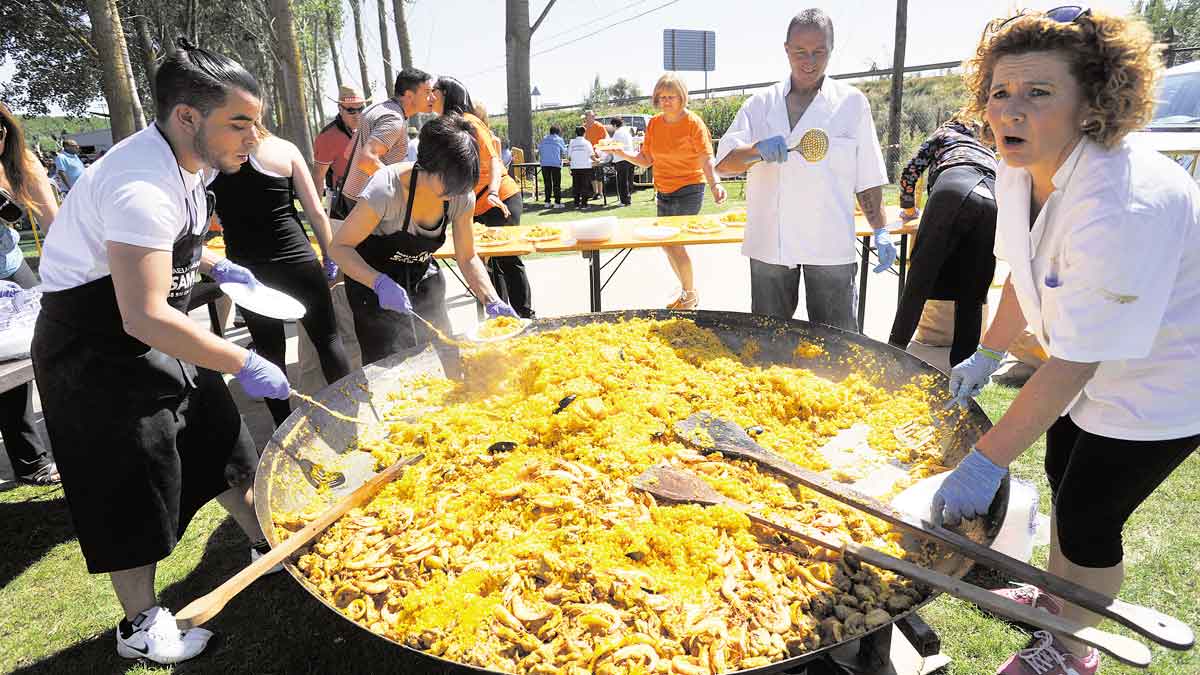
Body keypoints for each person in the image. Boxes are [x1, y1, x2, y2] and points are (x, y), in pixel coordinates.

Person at [932, 10, 1200, 675]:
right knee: (1060, 471)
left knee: (1088, 513)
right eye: (999, 92)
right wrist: (989, 351)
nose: (1008, 110)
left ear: (1093, 103)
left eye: (1038, 93)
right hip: (1094, 358)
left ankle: (1073, 649)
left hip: (1165, 383)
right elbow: (1026, 272)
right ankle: (1061, 600)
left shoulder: (1121, 202)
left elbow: (1078, 361)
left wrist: (986, 459)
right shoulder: (1025, 164)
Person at [31, 38, 289, 665]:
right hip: (94, 350)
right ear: (186, 118)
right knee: (128, 479)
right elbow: (142, 313)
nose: (254, 138)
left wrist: (219, 268)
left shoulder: (190, 166)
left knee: (221, 438)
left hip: (153, 330)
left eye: (255, 121)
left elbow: (176, 248)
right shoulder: (138, 182)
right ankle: (139, 624)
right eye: (240, 123)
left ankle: (265, 546)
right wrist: (244, 360)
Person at [715, 9, 893, 331]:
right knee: (769, 340)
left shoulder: (852, 104)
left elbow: (867, 177)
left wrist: (880, 230)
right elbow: (724, 165)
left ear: (831, 50)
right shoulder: (760, 104)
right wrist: (756, 152)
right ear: (786, 49)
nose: (809, 61)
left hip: (830, 248)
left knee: (838, 344)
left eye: (818, 52)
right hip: (771, 246)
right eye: (800, 52)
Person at [329, 115, 517, 363]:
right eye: (449, 184)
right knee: (388, 365)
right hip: (372, 284)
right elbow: (339, 248)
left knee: (443, 356)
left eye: (461, 186)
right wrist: (378, 283)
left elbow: (467, 256)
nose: (454, 195)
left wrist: (491, 299)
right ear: (427, 164)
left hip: (421, 275)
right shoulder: (385, 190)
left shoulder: (461, 195)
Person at [208, 123, 350, 426]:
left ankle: (283, 429)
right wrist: (330, 256)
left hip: (248, 272)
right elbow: (315, 211)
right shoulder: (283, 150)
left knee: (270, 351)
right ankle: (350, 414)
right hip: (297, 263)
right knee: (328, 340)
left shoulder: (214, 156)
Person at [609, 73, 727, 309]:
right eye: (661, 97)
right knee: (666, 243)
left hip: (689, 188)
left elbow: (706, 158)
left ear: (682, 97)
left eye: (671, 96)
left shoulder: (693, 123)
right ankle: (687, 291)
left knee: (674, 242)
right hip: (663, 189)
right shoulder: (654, 123)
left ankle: (690, 295)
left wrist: (715, 184)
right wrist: (620, 153)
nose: (665, 101)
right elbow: (645, 159)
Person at [887, 119, 998, 367]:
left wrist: (908, 208)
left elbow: (910, 171)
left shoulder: (945, 134)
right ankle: (962, 380)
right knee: (972, 295)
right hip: (993, 196)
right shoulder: (987, 149)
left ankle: (891, 358)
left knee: (918, 283)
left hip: (953, 187)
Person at [433, 77, 534, 318]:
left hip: (500, 199)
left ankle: (526, 317)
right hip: (475, 206)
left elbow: (495, 162)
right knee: (488, 263)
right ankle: (500, 317)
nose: (429, 96)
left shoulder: (470, 123)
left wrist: (492, 193)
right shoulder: (448, 124)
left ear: (447, 94)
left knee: (507, 259)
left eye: (434, 91)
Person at [0, 102, 60, 485]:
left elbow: (55, 222)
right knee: (8, 377)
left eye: (0, 129)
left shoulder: (18, 160)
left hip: (12, 267)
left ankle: (78, 441)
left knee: (53, 348)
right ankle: (31, 462)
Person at [339, 67, 434, 212]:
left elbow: (348, 152)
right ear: (409, 95)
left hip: (354, 198)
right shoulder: (394, 119)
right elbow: (367, 160)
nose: (432, 98)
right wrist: (403, 190)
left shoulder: (376, 108)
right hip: (369, 204)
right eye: (427, 92)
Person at [312, 84, 367, 197]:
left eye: (361, 109)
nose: (357, 115)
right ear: (340, 109)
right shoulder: (327, 137)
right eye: (351, 110)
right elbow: (318, 177)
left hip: (370, 197)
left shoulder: (370, 128)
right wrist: (316, 212)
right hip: (342, 201)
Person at [537, 125, 567, 208]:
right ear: (558, 132)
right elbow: (564, 152)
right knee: (556, 184)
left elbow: (539, 150)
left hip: (544, 164)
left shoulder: (544, 139)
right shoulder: (559, 139)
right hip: (555, 164)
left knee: (547, 184)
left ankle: (547, 202)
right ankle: (557, 203)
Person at [568, 126, 596, 209]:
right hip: (585, 166)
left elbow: (569, 156)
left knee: (576, 185)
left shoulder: (572, 142)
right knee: (585, 186)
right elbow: (592, 155)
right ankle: (584, 204)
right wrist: (597, 160)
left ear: (576, 133)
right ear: (584, 133)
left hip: (575, 167)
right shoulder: (587, 142)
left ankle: (576, 204)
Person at [609, 116, 635, 205]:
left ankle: (624, 201)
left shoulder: (617, 133)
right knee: (629, 180)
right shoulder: (627, 132)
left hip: (621, 159)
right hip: (630, 158)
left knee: (622, 182)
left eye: (612, 126)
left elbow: (613, 146)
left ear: (615, 125)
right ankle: (628, 199)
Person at [583, 109, 608, 199]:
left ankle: (600, 193)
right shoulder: (584, 127)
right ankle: (595, 192)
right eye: (590, 116)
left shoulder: (600, 126)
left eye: (593, 115)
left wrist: (599, 152)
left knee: (599, 174)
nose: (593, 117)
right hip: (588, 155)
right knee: (591, 174)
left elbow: (605, 140)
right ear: (586, 117)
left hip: (598, 154)